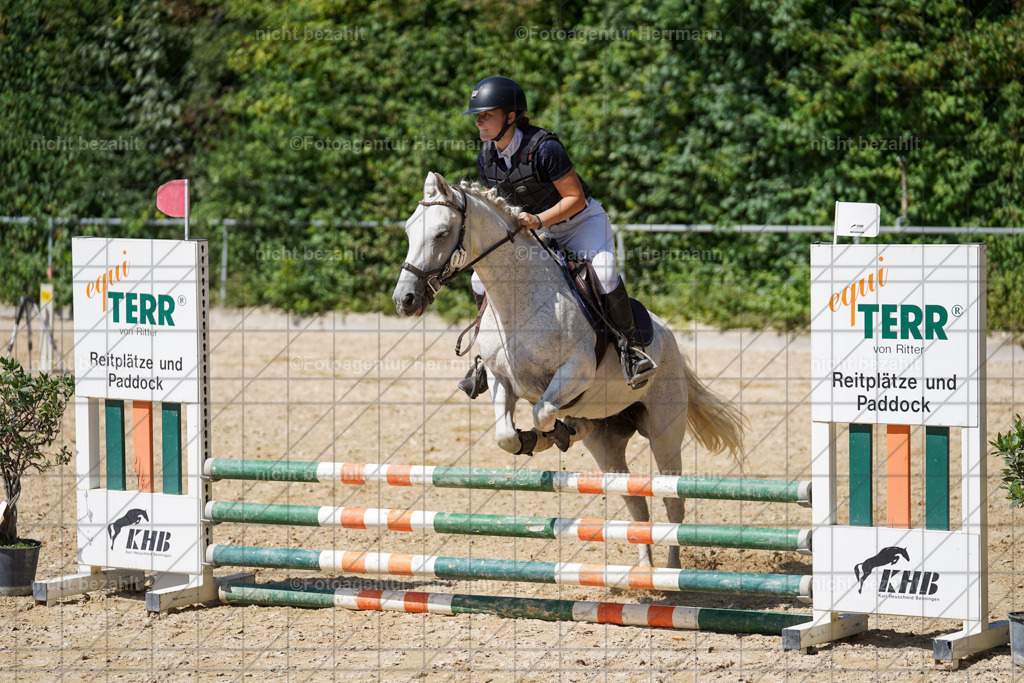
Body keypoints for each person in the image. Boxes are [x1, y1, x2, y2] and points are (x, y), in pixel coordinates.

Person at [457, 75, 655, 398]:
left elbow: (574, 198)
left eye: (486, 114)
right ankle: (487, 359)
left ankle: (631, 350)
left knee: (603, 274)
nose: (478, 120)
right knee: (479, 281)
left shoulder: (544, 148)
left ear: (510, 116)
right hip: (539, 230)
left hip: (580, 222)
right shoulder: (486, 158)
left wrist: (536, 220)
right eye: (477, 115)